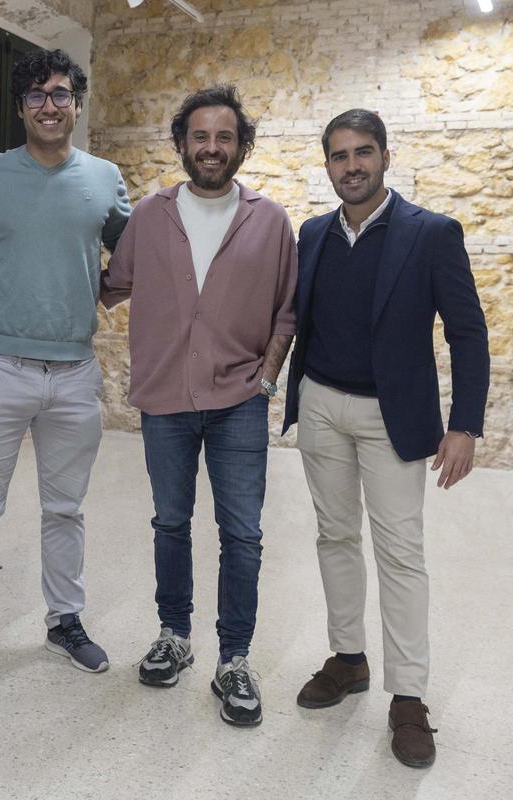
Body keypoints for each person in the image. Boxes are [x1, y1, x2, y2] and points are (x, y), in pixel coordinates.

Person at [282, 109, 489, 766]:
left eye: (363, 152)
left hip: (392, 418)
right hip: (320, 406)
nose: (352, 166)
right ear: (328, 166)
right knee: (335, 536)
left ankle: (408, 697)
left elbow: (468, 332)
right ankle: (348, 660)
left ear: (386, 156)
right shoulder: (311, 234)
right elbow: (292, 320)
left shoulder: (430, 234)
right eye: (339, 155)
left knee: (401, 554)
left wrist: (465, 424)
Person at [101, 85, 297, 727]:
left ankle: (234, 659)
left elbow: (287, 311)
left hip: (241, 400)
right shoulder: (150, 215)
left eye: (224, 137)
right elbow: (109, 288)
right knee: (170, 523)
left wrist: (266, 379)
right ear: (182, 143)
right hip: (165, 399)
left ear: (242, 146)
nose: (211, 148)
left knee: (243, 533)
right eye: (200, 137)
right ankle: (174, 636)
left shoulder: (269, 221)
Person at [0, 48, 131, 685]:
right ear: (21, 108)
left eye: (59, 94)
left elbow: (132, 253)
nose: (48, 106)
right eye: (35, 96)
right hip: (0, 365)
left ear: (77, 104)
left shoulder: (106, 177)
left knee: (65, 509)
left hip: (76, 372)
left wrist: (97, 293)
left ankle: (65, 622)